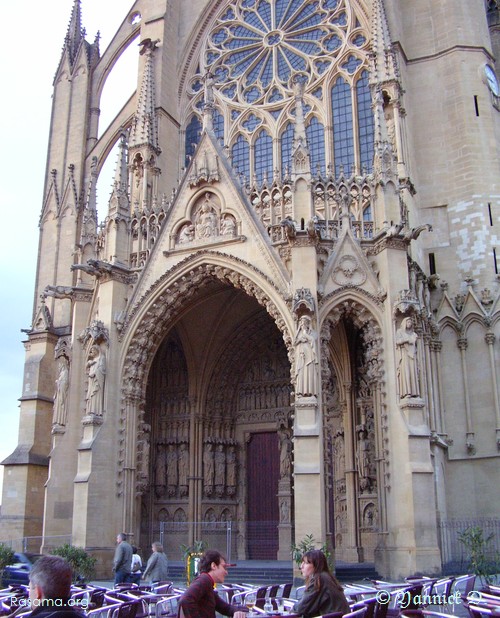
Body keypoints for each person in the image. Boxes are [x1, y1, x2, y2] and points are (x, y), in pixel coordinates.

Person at [178, 549, 247, 618]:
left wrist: (236, 611)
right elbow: (185, 600)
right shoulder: (204, 580)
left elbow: (224, 607)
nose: (226, 572)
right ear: (213, 566)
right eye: (224, 567)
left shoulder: (207, 583)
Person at [293, 550, 350, 618]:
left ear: (316, 565)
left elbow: (301, 608)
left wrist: (291, 608)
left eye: (306, 563)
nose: (301, 566)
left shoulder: (319, 579)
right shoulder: (327, 577)